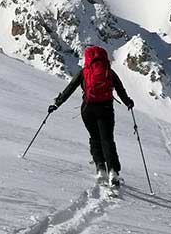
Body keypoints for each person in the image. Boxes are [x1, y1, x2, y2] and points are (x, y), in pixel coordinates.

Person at [49, 45, 134, 188]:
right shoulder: (109, 72)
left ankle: (100, 168)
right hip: (106, 109)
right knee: (107, 139)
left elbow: (70, 88)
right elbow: (120, 89)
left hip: (88, 110)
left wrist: (57, 103)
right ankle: (113, 171)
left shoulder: (85, 72)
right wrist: (128, 103)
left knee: (95, 138)